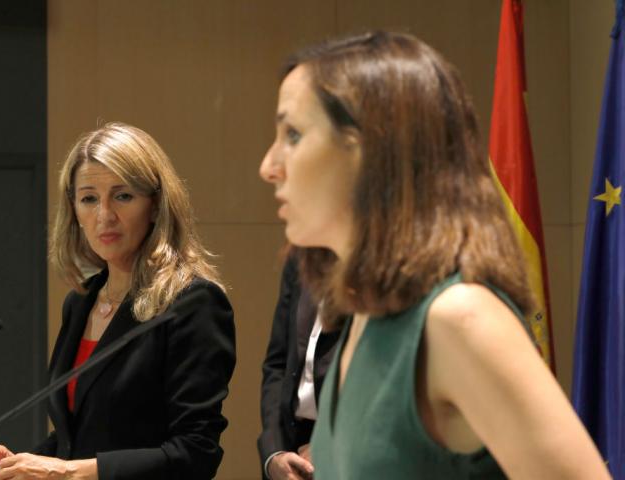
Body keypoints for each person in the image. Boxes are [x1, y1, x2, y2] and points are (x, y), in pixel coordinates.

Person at [259, 31, 610, 479]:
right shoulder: (365, 312)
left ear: (374, 151)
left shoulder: (459, 319)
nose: (269, 166)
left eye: (293, 134)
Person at [0, 122, 236, 480]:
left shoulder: (193, 303)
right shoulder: (80, 302)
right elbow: (80, 437)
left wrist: (64, 472)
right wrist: (21, 463)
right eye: (89, 199)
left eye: (123, 196)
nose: (104, 215)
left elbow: (195, 453)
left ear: (156, 205)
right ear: (74, 210)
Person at [258, 253, 341, 480]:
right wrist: (274, 453)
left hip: (344, 448)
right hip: (289, 444)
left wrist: (326, 443)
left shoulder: (375, 266)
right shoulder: (299, 259)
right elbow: (277, 365)